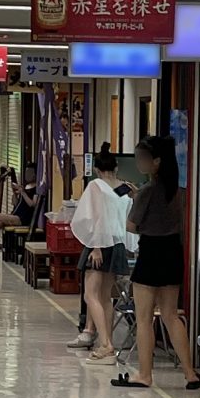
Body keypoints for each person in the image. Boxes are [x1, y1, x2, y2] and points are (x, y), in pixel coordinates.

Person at [111, 136, 200, 390]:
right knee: (171, 315)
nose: (139, 162)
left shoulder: (148, 191)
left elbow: (132, 225)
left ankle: (145, 374)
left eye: (142, 158)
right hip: (173, 252)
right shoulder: (178, 190)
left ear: (157, 161)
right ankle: (190, 373)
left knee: (144, 318)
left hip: (150, 252)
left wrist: (136, 201)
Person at [71, 142, 132, 366]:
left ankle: (106, 344)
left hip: (99, 243)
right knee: (106, 297)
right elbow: (127, 219)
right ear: (116, 167)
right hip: (117, 244)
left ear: (97, 169)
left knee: (90, 295)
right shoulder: (124, 188)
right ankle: (106, 344)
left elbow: (94, 216)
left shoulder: (96, 185)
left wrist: (95, 246)